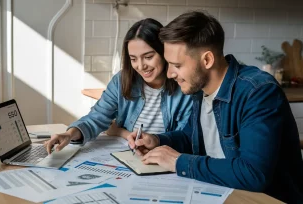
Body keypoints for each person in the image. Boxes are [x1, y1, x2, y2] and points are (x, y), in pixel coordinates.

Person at [128, 11, 303, 203]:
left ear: (207, 60)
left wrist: (179, 162)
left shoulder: (258, 92)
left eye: (176, 65)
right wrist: (157, 140)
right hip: (219, 191)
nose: (169, 74)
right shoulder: (199, 89)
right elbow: (190, 136)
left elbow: (253, 174)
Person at [44, 19, 192, 152]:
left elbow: (186, 137)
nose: (141, 66)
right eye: (133, 59)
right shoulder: (121, 80)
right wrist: (69, 134)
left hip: (165, 159)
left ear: (164, 52)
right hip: (129, 155)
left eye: (148, 57)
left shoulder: (185, 85)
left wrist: (122, 132)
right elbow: (96, 117)